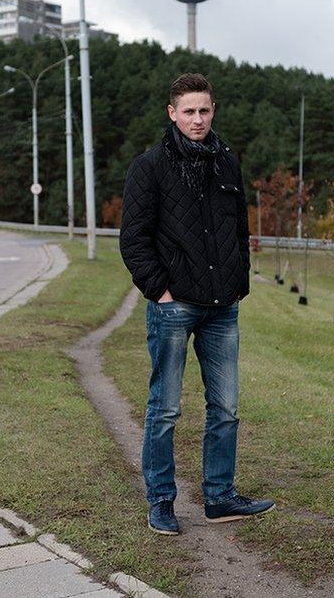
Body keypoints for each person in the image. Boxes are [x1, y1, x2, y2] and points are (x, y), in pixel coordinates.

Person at [119, 72, 274, 536]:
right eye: (188, 111)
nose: (197, 119)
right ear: (172, 113)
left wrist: (239, 280)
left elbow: (239, 229)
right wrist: (160, 294)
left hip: (222, 306)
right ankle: (162, 502)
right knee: (164, 409)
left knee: (225, 407)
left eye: (204, 110)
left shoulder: (227, 162)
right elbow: (134, 240)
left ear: (213, 111)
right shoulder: (149, 167)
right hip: (174, 306)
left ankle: (219, 497)